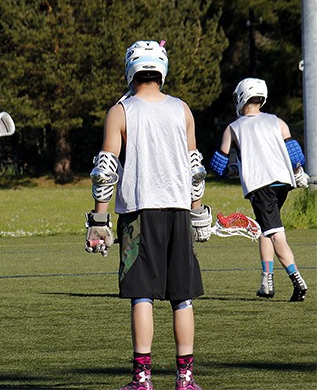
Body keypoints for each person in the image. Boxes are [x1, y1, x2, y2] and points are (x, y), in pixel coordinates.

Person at [85, 41, 210, 390]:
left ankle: (143, 379)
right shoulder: (182, 109)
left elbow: (106, 169)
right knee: (181, 296)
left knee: (143, 295)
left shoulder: (120, 111)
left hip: (139, 213)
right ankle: (185, 379)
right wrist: (198, 211)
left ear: (131, 69)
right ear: (162, 69)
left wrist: (99, 219)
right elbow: (194, 169)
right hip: (178, 211)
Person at [210, 78, 309, 302]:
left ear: (241, 97)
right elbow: (295, 156)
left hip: (260, 186)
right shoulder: (278, 121)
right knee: (267, 228)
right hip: (282, 184)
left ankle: (297, 279)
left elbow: (219, 165)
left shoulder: (233, 127)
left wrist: (234, 170)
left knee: (276, 234)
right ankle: (266, 282)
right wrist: (299, 173)